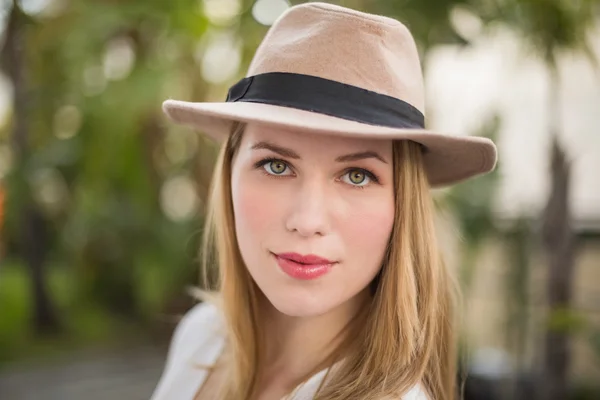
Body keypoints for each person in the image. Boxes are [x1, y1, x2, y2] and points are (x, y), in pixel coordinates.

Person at [151, 2, 497, 400]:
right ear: (228, 171)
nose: (308, 219)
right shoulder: (202, 336)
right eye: (276, 165)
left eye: (357, 176)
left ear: (403, 206)